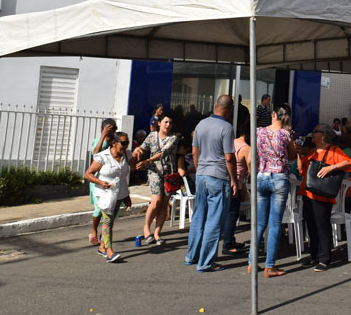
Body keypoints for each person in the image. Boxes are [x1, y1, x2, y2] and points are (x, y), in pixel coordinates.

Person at [185, 95, 237, 272]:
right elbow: (229, 158)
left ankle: (192, 255)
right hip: (219, 176)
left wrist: (200, 169)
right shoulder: (227, 127)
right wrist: (234, 180)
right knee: (214, 221)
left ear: (216, 107)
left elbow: (194, 151)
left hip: (202, 175)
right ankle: (206, 262)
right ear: (229, 110)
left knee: (199, 216)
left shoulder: (201, 124)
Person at [297, 123, 351, 272]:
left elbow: (349, 163)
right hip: (307, 192)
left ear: (323, 135)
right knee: (311, 225)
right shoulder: (312, 151)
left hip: (321, 195)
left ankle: (325, 258)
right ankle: (315, 256)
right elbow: (301, 170)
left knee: (322, 225)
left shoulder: (334, 150)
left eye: (315, 132)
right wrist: (298, 153)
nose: (312, 134)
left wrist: (331, 167)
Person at [249, 104, 297, 278]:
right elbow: (292, 156)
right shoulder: (286, 134)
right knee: (275, 224)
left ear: (274, 114)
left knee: (259, 223)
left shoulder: (258, 131)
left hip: (262, 176)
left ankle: (252, 262)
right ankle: (270, 266)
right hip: (279, 177)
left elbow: (253, 155)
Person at [84, 132, 138, 262]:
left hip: (119, 194)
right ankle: (109, 252)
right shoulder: (103, 156)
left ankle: (102, 247)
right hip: (105, 194)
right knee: (107, 222)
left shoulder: (126, 155)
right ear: (114, 143)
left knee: (111, 221)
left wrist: (127, 195)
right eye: (123, 143)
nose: (126, 146)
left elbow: (126, 173)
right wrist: (101, 183)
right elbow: (88, 174)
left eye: (127, 143)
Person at [133, 111, 179, 245]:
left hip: (169, 173)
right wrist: (138, 151)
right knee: (156, 201)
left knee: (165, 203)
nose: (168, 125)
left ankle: (158, 233)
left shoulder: (174, 137)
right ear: (159, 123)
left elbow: (163, 152)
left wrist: (147, 161)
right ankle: (147, 229)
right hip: (154, 172)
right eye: (165, 122)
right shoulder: (152, 136)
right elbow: (143, 147)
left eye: (170, 123)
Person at [222, 120, 250, 257]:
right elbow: (251, 169)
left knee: (228, 213)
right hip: (236, 183)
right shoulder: (246, 148)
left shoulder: (231, 142)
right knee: (232, 214)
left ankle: (231, 240)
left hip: (224, 181)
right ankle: (227, 244)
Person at [88, 118, 117, 245]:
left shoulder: (115, 142)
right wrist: (103, 136)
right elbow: (96, 153)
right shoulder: (98, 141)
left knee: (110, 208)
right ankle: (93, 230)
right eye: (108, 128)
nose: (111, 131)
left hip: (110, 179)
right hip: (97, 179)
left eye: (113, 128)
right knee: (99, 208)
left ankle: (104, 233)